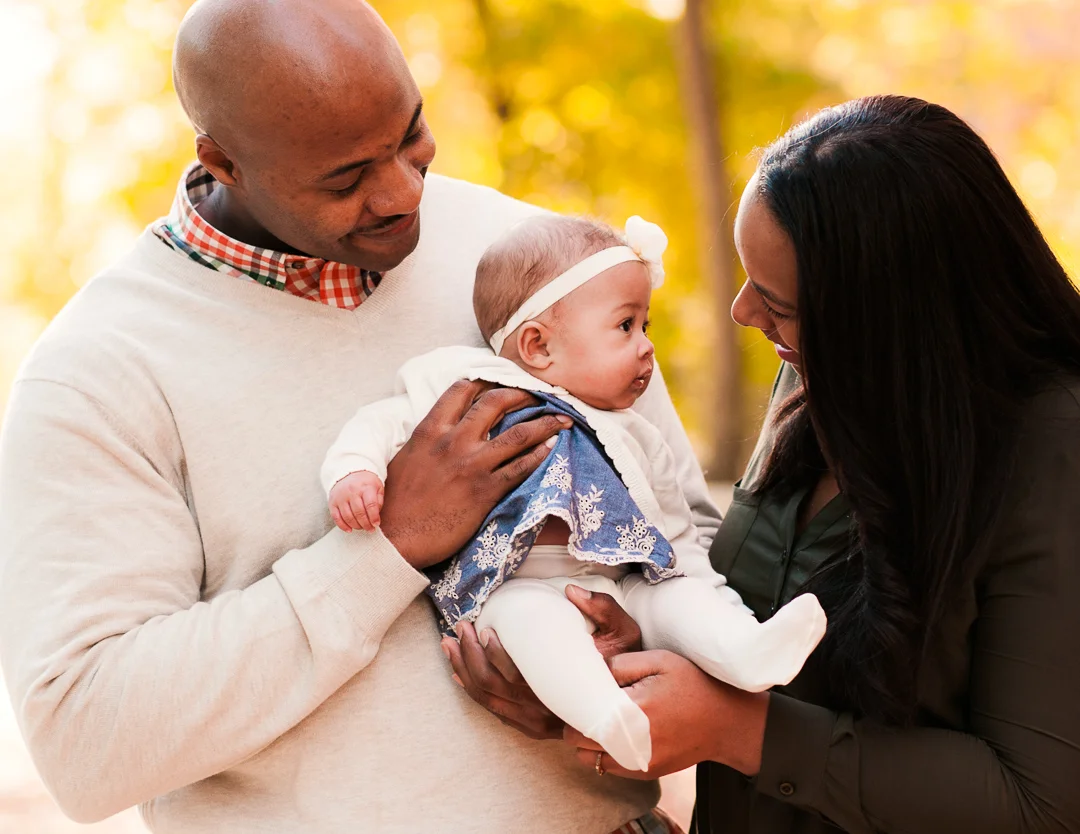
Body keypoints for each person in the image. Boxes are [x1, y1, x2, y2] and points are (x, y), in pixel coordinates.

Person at [0, 0, 708, 831]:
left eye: (412, 135)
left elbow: (687, 528)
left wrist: (629, 648)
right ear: (222, 161)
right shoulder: (98, 371)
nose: (405, 192)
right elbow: (87, 742)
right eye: (345, 177)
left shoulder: (532, 255)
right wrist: (387, 549)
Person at [449, 94, 1080, 833]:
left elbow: (1041, 802)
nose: (743, 312)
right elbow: (767, 621)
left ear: (888, 317)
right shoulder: (817, 386)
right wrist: (622, 649)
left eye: (778, 300)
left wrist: (739, 732)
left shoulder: (1052, 450)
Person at [322, 213, 826, 773]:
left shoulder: (634, 432)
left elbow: (676, 531)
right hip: (513, 584)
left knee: (680, 600)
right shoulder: (469, 388)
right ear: (537, 345)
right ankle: (605, 714)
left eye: (647, 327)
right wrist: (355, 472)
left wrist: (692, 584)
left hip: (620, 582)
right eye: (625, 326)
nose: (646, 349)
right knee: (533, 627)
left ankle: (747, 650)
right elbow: (386, 422)